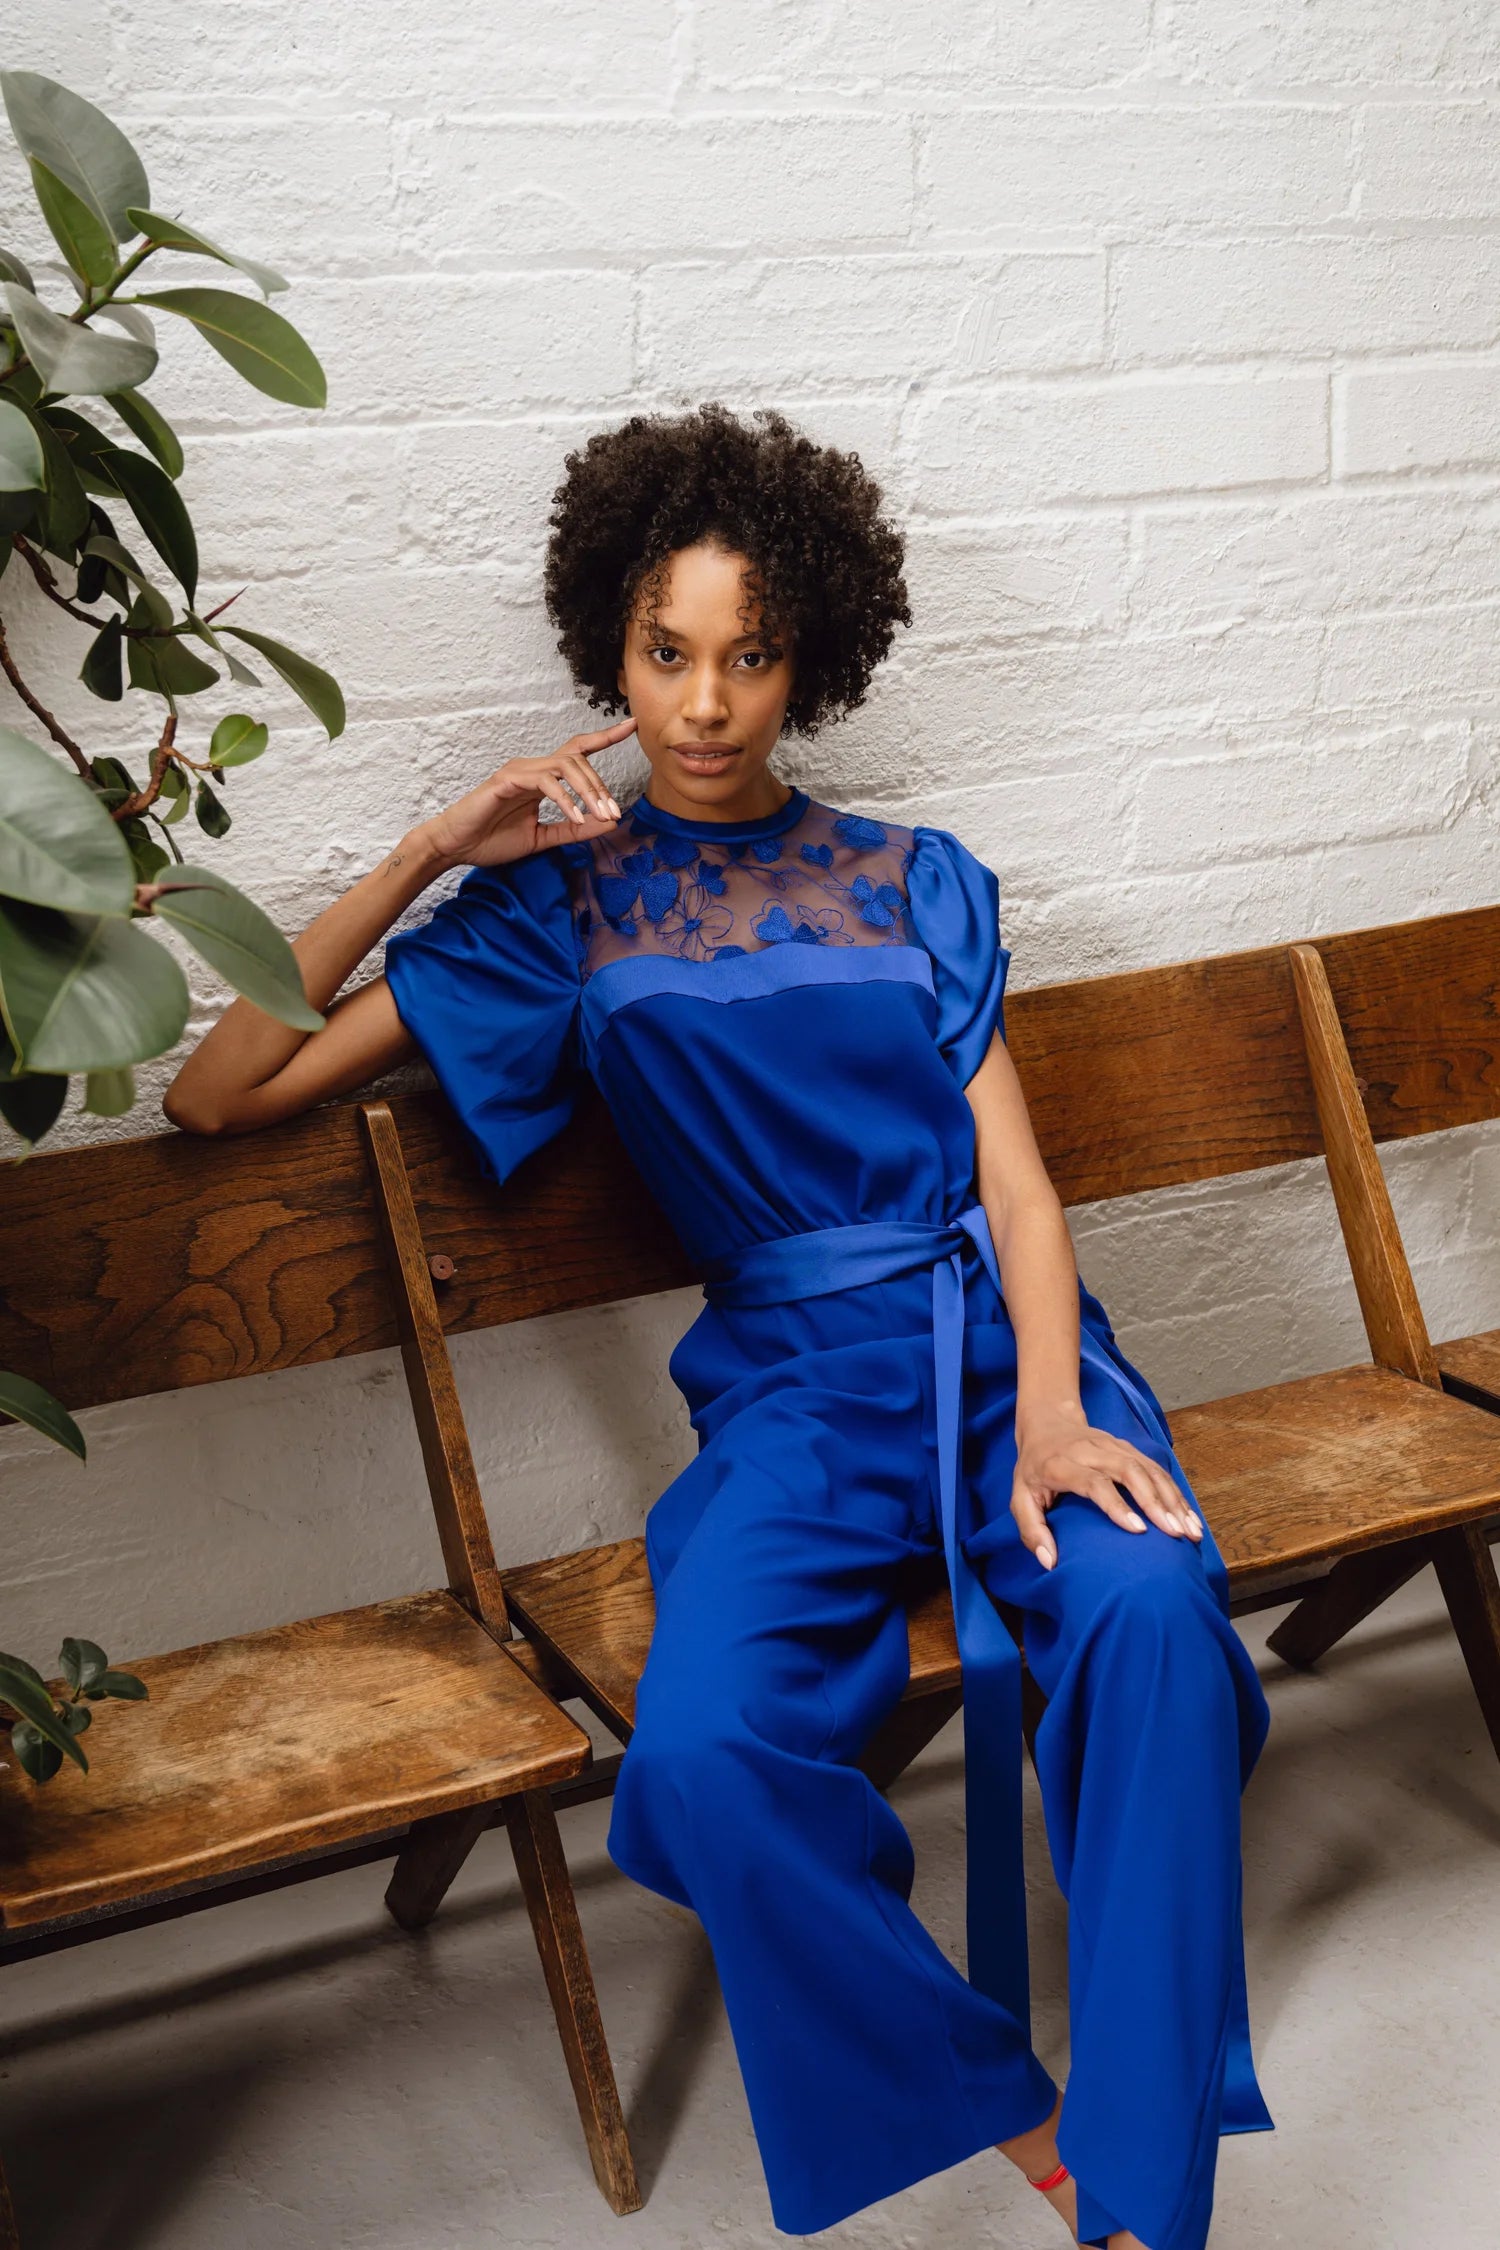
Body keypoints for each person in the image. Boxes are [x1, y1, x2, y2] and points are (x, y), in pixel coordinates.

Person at [164, 403, 1273, 2250]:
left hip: (1005, 1347)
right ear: (609, 645)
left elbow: (1017, 1186)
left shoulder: (913, 877)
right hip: (793, 1401)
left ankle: (1153, 2202)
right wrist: (442, 841)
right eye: (666, 653)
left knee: (1155, 1607)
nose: (704, 703)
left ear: (809, 658)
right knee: (692, 1761)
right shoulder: (553, 914)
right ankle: (980, 2084)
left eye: (749, 655)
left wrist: (1063, 1420)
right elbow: (222, 1093)